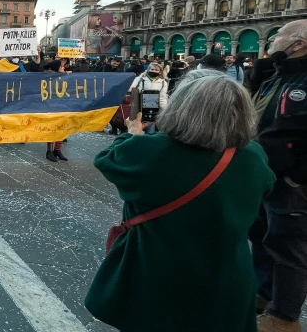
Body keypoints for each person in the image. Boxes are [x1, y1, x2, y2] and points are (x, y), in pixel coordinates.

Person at [86, 70, 275, 332]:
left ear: (181, 108)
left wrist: (133, 132)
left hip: (160, 277)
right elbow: (266, 186)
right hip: (226, 279)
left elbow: (109, 159)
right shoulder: (253, 156)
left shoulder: (150, 151)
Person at [250, 19, 307, 332]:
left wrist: (297, 175)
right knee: (260, 234)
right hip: (263, 173)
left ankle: (283, 318)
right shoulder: (276, 75)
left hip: (290, 181)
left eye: (278, 36)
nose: (272, 41)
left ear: (297, 43)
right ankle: (263, 295)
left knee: (288, 247)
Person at [130, 62, 168, 134]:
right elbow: (131, 89)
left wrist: (164, 109)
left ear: (160, 72)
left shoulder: (163, 82)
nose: (154, 71)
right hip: (139, 107)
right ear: (148, 70)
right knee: (136, 129)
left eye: (156, 70)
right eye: (152, 69)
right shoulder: (140, 79)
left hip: (153, 109)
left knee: (150, 130)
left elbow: (162, 97)